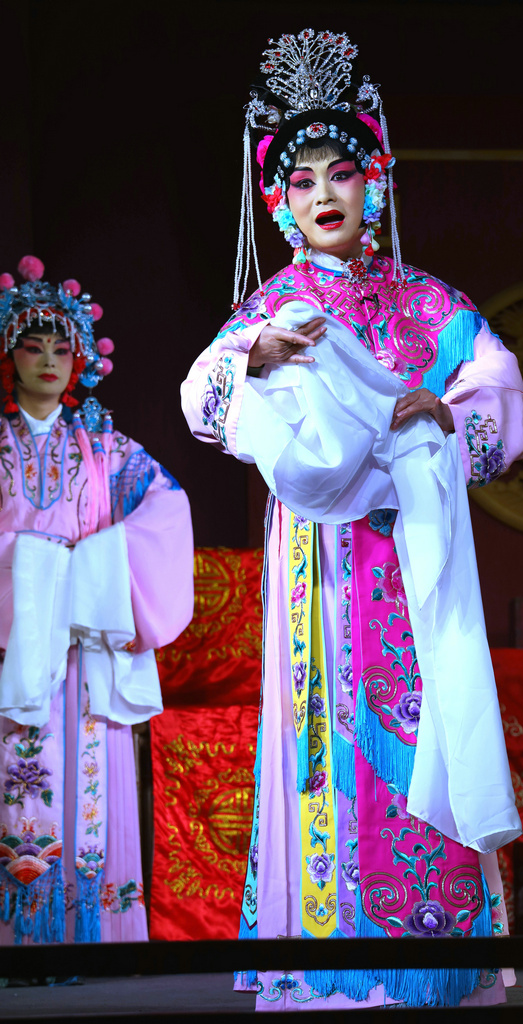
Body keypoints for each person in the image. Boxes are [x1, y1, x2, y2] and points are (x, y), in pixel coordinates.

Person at [181, 29, 523, 1010]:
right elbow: (202, 398)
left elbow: (498, 396)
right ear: (278, 205)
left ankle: (434, 959)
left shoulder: (428, 304)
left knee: (429, 721)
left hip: (415, 557)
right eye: (301, 182)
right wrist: (251, 363)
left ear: (376, 185)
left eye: (342, 172)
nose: (323, 194)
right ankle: (330, 961)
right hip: (321, 568)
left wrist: (446, 414)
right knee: (325, 738)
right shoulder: (274, 309)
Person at [0, 256, 193, 946]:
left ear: (80, 358)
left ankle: (93, 932)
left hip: (85, 648)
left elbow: (167, 509)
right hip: (10, 641)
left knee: (90, 788)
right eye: (32, 346)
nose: (49, 360)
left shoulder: (108, 451)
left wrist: (98, 572)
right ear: (9, 357)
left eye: (62, 347)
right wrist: (31, 568)